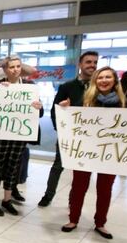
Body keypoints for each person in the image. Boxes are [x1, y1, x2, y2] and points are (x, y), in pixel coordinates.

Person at [61, 66, 127, 239]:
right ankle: (73, 219)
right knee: (78, 186)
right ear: (95, 81)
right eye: (100, 78)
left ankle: (100, 223)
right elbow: (71, 120)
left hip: (110, 154)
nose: (104, 80)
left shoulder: (123, 103)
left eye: (108, 77)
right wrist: (65, 108)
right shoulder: (85, 100)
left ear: (114, 81)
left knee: (105, 189)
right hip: (85, 151)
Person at [38, 51, 99, 207]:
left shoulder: (99, 86)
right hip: (69, 135)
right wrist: (61, 130)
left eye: (95, 62)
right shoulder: (67, 87)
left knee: (82, 171)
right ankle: (48, 195)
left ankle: (75, 202)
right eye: (88, 62)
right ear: (80, 65)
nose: (92, 65)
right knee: (58, 165)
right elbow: (55, 110)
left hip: (92, 136)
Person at [0, 56, 43, 216]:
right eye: (12, 67)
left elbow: (40, 113)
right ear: (5, 70)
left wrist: (38, 107)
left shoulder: (29, 87)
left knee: (13, 166)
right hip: (1, 133)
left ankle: (7, 199)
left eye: (18, 66)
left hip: (19, 133)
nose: (15, 69)